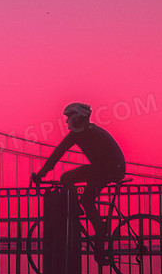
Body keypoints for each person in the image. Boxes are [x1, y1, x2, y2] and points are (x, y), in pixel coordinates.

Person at [30, 102, 126, 264]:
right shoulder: (87, 132)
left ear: (78, 119)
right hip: (105, 169)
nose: (68, 122)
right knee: (70, 181)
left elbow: (56, 156)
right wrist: (42, 173)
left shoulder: (86, 134)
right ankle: (78, 210)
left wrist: (40, 176)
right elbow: (57, 155)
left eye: (70, 118)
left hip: (108, 170)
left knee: (84, 197)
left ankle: (99, 238)